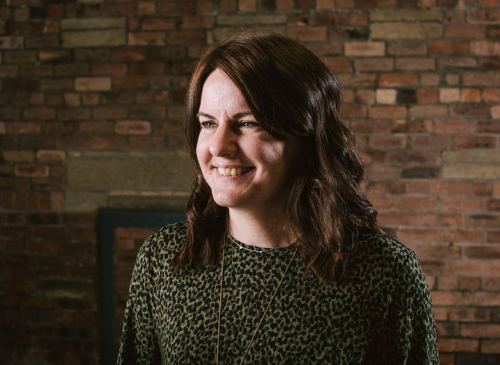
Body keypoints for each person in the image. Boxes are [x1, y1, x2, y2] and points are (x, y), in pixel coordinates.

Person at [117, 31, 439, 364]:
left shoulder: (384, 272)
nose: (218, 147)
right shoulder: (163, 259)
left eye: (247, 123)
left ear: (306, 136)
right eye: (208, 123)